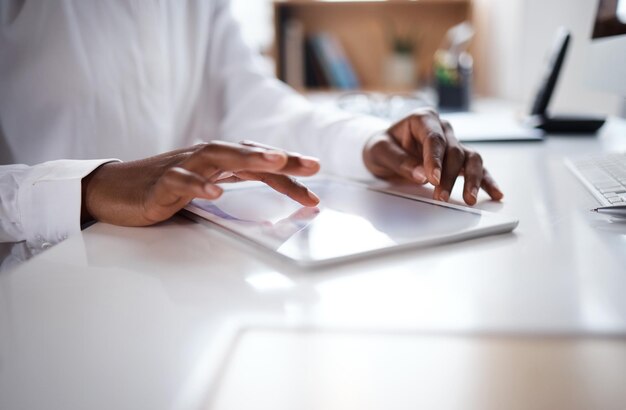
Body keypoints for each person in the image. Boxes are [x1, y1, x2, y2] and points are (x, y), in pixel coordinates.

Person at [0, 0, 502, 265]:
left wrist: (368, 142)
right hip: (36, 288)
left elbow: (253, 101)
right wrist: (86, 186)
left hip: (173, 274)